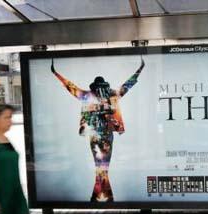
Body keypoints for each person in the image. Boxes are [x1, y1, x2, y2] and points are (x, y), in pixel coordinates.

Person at [51, 58, 145, 202]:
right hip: (103, 135)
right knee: (102, 165)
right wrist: (139, 70)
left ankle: (99, 195)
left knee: (100, 165)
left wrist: (56, 74)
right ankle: (105, 196)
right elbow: (127, 85)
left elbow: (71, 87)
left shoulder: (89, 96)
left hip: (96, 135)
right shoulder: (111, 95)